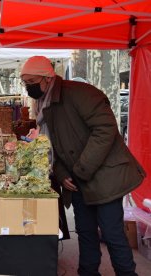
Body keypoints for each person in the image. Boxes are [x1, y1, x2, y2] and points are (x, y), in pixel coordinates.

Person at [20, 56, 145, 276]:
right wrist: (61, 172)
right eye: (25, 82)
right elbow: (52, 143)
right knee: (86, 232)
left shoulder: (81, 93)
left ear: (47, 79)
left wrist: (79, 171)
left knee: (112, 233)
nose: (27, 87)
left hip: (105, 176)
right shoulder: (45, 103)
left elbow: (105, 130)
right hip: (78, 178)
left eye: (31, 81)